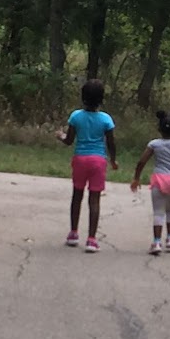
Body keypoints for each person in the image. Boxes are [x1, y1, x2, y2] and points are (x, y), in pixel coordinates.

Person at [59, 79, 117, 252]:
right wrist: (113, 159)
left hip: (80, 159)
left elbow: (69, 141)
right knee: (95, 199)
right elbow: (111, 143)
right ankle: (91, 239)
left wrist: (60, 136)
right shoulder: (106, 119)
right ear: (101, 99)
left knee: (77, 196)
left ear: (83, 97)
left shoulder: (76, 116)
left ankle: (73, 233)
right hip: (98, 160)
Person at [130, 108, 170, 255]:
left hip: (159, 180)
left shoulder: (154, 144)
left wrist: (136, 178)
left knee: (158, 212)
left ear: (159, 128)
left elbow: (141, 162)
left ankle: (157, 242)